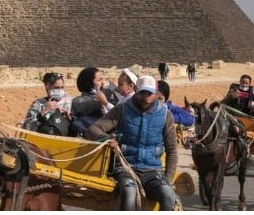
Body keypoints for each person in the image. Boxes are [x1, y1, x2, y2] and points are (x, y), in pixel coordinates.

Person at [86, 76, 178, 210]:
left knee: (168, 195)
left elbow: (172, 150)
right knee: (130, 193)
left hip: (152, 171)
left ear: (156, 93)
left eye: (149, 94)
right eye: (142, 93)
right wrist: (107, 139)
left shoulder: (165, 115)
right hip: (126, 168)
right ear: (136, 90)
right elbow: (93, 129)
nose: (145, 98)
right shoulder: (122, 109)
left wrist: (168, 180)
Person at [70, 67, 112, 137]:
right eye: (99, 80)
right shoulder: (78, 101)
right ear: (89, 83)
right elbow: (88, 105)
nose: (103, 83)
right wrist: (103, 101)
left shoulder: (105, 96)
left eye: (102, 79)